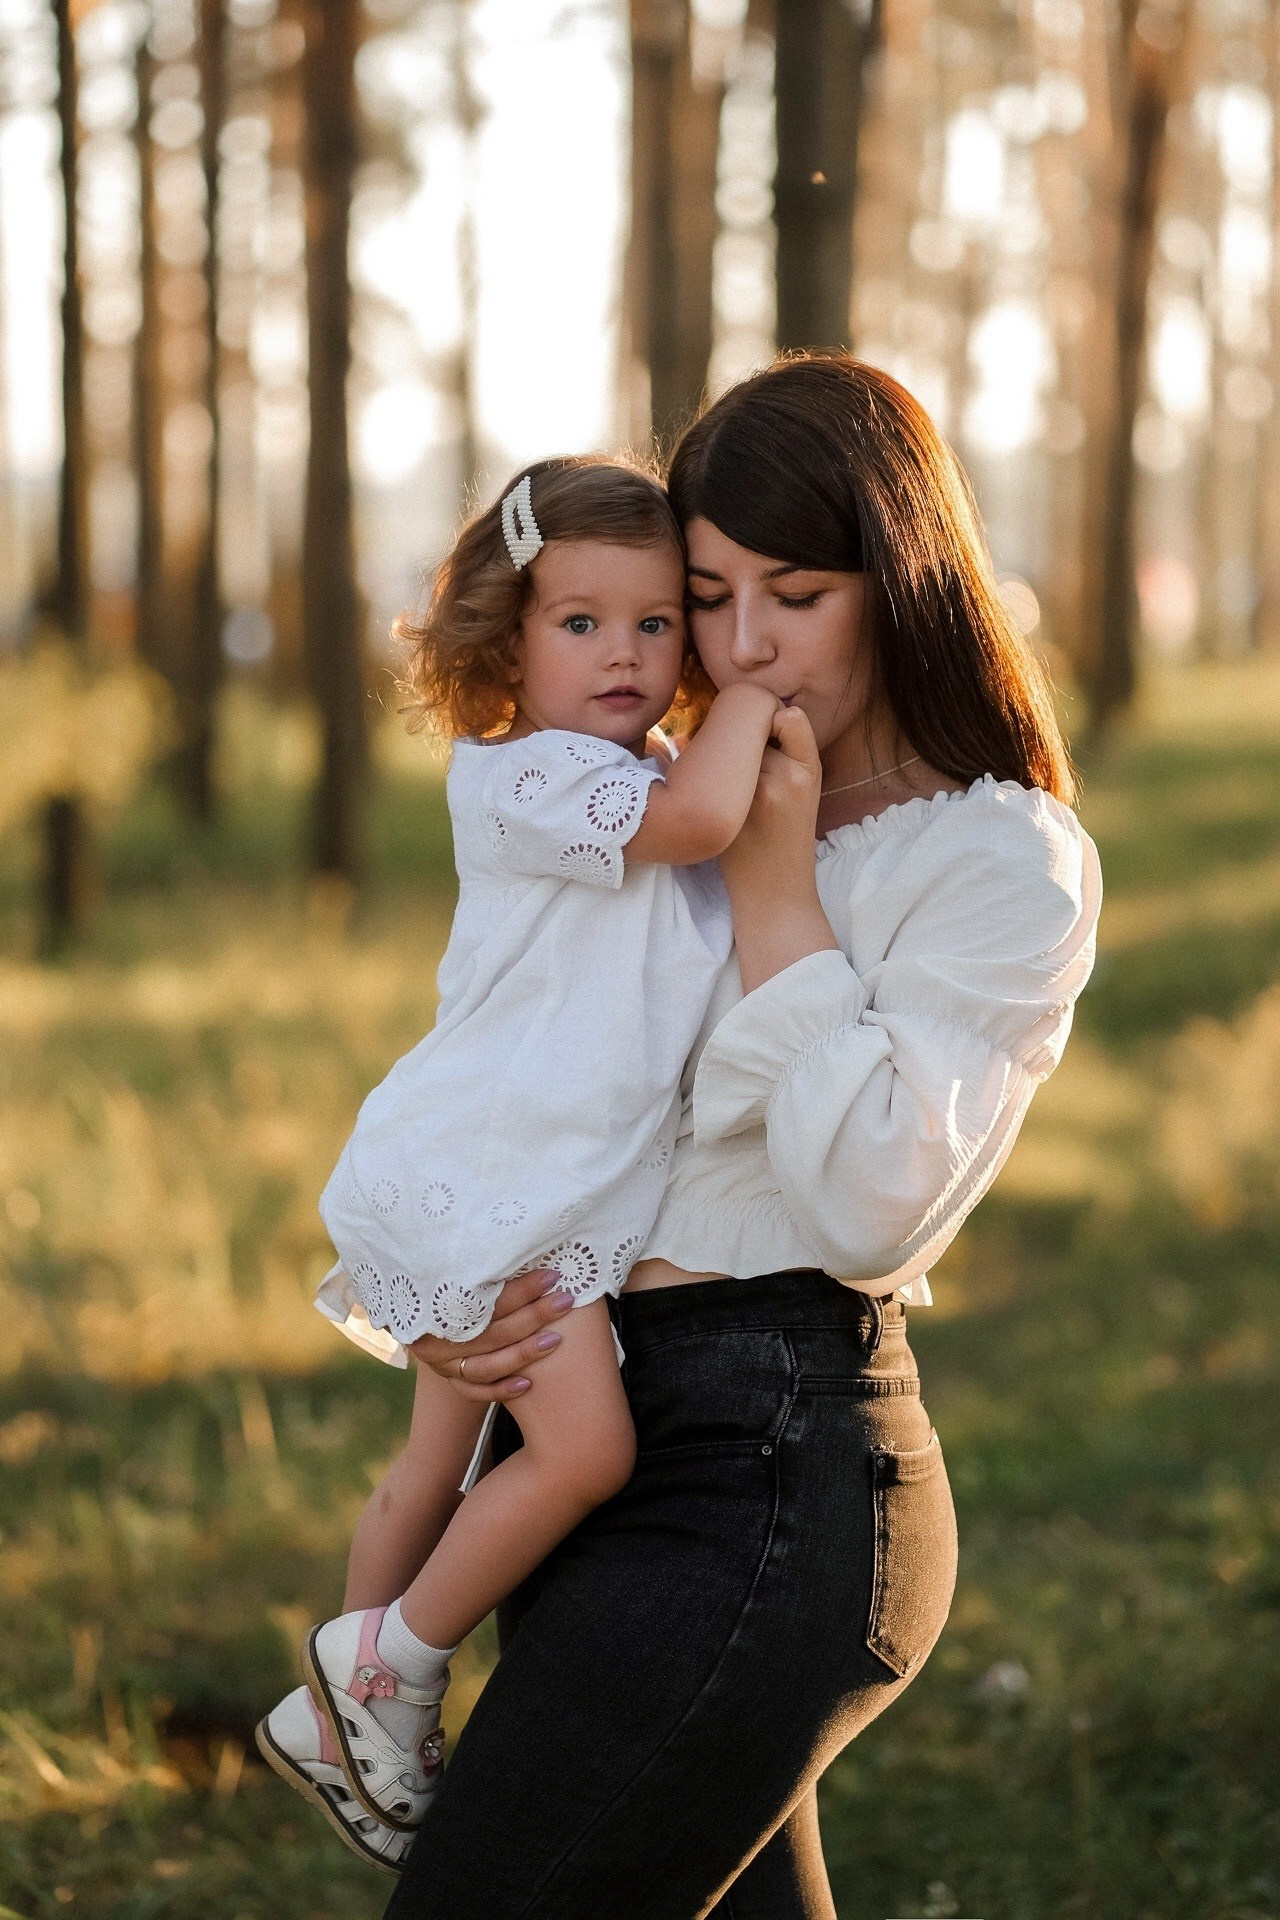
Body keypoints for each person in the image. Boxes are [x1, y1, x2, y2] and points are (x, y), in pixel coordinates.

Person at [376, 354, 1103, 1919]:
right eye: (708, 593)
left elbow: (864, 1209)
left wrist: (777, 897)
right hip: (586, 1442)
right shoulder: (651, 804)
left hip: (768, 1469)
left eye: (800, 592)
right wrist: (472, 1292)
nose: (745, 643)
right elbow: (535, 1071)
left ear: (897, 584)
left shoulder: (996, 859)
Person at [254, 456, 785, 1869]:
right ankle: (400, 1664)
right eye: (581, 624)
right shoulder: (522, 780)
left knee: (435, 1462)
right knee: (586, 1452)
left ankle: (348, 1719)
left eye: (659, 624)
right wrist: (749, 693)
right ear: (506, 638)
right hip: (487, 1182)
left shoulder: (646, 769)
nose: (626, 655)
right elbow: (699, 829)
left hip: (518, 1186)